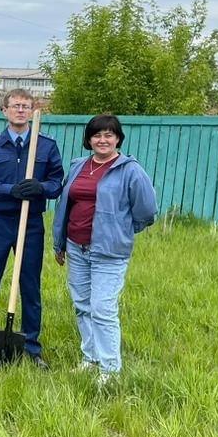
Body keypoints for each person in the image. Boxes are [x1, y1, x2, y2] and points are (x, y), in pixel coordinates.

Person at [52, 114, 157, 385]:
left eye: (109, 135)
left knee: (102, 308)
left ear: (118, 138)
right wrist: (61, 242)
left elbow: (146, 210)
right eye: (97, 135)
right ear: (89, 139)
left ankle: (110, 370)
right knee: (82, 306)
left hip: (109, 252)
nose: (103, 140)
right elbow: (67, 205)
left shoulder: (130, 170)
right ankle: (91, 358)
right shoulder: (78, 166)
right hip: (76, 247)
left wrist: (119, 231)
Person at [0, 89, 64, 368]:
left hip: (31, 224)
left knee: (30, 286)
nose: (20, 110)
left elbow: (57, 182)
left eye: (26, 106)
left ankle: (32, 348)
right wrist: (11, 190)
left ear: (32, 111)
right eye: (15, 106)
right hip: (0, 222)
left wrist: (40, 188)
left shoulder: (45, 146)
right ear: (4, 111)